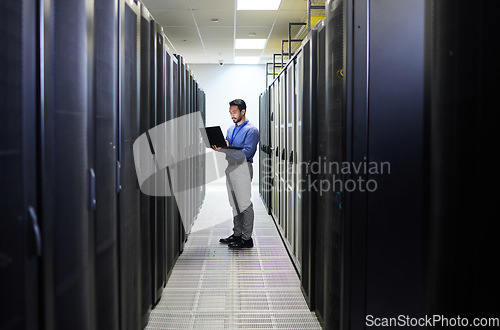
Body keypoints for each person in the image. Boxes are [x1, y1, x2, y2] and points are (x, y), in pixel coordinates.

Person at [211, 99, 259, 248]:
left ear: (243, 111)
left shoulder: (252, 130)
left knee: (244, 204)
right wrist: (220, 147)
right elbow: (229, 146)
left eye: (234, 112)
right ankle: (237, 234)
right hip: (231, 168)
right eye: (230, 112)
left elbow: (246, 153)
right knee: (234, 204)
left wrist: (226, 150)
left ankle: (247, 239)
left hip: (243, 168)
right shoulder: (231, 129)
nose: (232, 115)